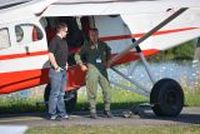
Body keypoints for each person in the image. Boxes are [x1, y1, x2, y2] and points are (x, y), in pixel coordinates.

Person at [75, 28, 113, 119]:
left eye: (96, 35)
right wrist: (81, 65)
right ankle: (92, 111)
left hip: (102, 70)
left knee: (107, 90)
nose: (94, 37)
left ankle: (107, 110)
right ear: (89, 35)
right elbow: (77, 55)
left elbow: (109, 51)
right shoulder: (86, 45)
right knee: (92, 91)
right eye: (92, 35)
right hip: (92, 70)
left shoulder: (102, 44)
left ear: (98, 34)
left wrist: (108, 61)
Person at [48, 23, 69, 120]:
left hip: (64, 70)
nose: (67, 33)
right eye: (66, 31)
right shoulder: (54, 41)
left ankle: (62, 112)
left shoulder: (63, 41)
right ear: (61, 31)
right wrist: (56, 67)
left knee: (61, 93)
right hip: (56, 71)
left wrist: (66, 63)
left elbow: (63, 54)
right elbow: (51, 54)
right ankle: (52, 113)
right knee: (55, 93)